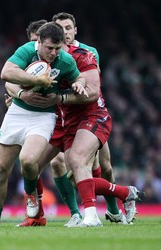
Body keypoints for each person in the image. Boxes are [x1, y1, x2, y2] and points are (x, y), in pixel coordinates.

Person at [0, 22, 87, 228]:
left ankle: (31, 194)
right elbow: (6, 73)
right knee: (0, 169)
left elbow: (80, 77)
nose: (53, 53)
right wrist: (34, 82)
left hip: (43, 117)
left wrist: (79, 84)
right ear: (39, 42)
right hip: (17, 113)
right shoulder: (25, 51)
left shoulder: (65, 60)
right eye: (49, 48)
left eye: (57, 49)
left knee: (28, 160)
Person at [52, 12, 126, 224]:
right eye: (60, 28)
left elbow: (90, 84)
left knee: (104, 167)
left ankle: (113, 210)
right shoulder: (49, 54)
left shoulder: (88, 52)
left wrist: (76, 84)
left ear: (75, 30)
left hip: (91, 114)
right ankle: (80, 214)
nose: (64, 32)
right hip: (66, 117)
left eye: (68, 28)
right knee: (75, 170)